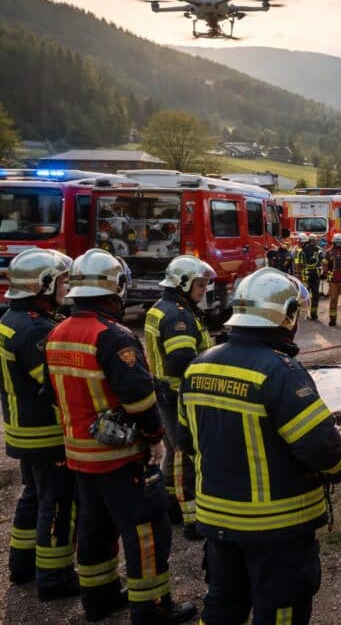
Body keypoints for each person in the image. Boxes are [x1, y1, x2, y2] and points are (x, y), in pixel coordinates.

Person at [178, 268, 341, 625]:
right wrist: (340, 463)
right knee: (280, 610)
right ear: (287, 315)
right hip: (277, 526)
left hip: (216, 519)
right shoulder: (280, 371)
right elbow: (323, 451)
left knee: (223, 605)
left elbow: (187, 441)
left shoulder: (197, 367)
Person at [45, 249, 196, 624]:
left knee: (95, 527)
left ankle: (98, 598)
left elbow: (52, 393)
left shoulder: (57, 333)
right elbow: (140, 398)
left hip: (80, 455)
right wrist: (154, 436)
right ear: (115, 288)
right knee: (146, 531)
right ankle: (152, 606)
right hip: (121, 457)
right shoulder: (112, 336)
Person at [1, 249, 79, 601]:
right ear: (43, 284)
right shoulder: (36, 329)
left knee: (33, 496)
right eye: (62, 281)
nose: (66, 287)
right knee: (58, 503)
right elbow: (56, 386)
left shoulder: (11, 318)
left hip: (22, 430)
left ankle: (22, 565)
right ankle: (53, 577)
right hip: (46, 434)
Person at [143, 255, 215, 541]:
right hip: (179, 397)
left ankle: (171, 505)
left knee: (173, 452)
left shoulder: (161, 308)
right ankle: (192, 520)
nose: (204, 290)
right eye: (200, 285)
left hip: (164, 393)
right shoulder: (178, 316)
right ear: (183, 283)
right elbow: (182, 360)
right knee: (187, 455)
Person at [294, 233, 324, 320]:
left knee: (307, 295)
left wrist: (298, 274)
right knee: (312, 295)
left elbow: (298, 264)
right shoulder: (316, 250)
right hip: (312, 276)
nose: (312, 242)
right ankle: (310, 314)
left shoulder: (302, 251)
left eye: (313, 241)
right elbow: (322, 261)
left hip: (308, 276)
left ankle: (307, 314)